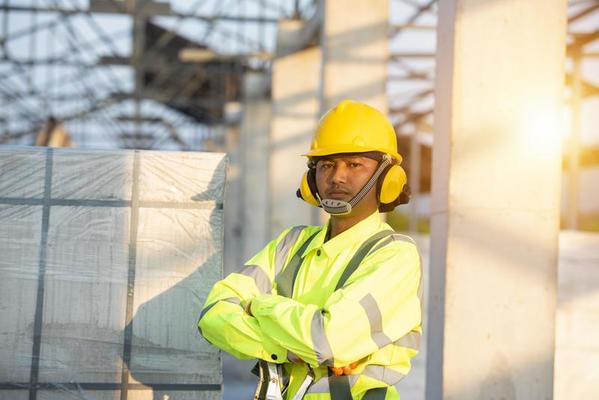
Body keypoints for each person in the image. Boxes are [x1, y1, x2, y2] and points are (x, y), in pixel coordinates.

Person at [198, 99, 422, 400]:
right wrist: (288, 349)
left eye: (354, 164)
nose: (337, 177)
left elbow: (329, 341)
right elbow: (213, 315)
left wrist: (257, 306)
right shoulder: (291, 244)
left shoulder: (394, 255)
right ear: (311, 179)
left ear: (387, 178)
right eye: (326, 165)